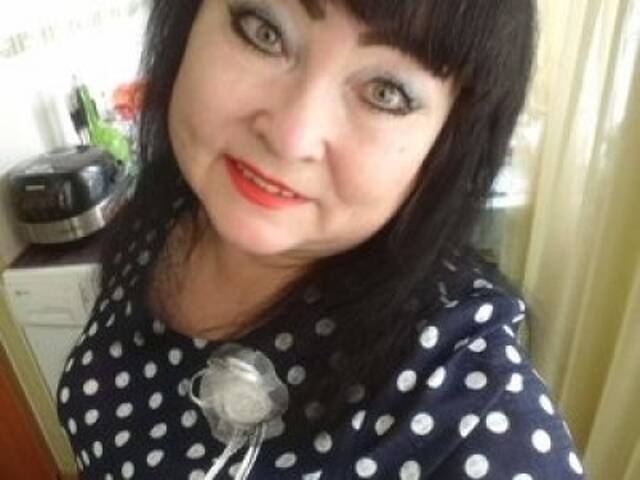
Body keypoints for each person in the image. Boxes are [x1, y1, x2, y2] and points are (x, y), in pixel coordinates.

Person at [56, 0, 587, 478]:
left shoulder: (472, 413)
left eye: (386, 93)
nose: (292, 138)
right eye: (264, 31)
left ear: (449, 143)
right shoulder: (166, 217)